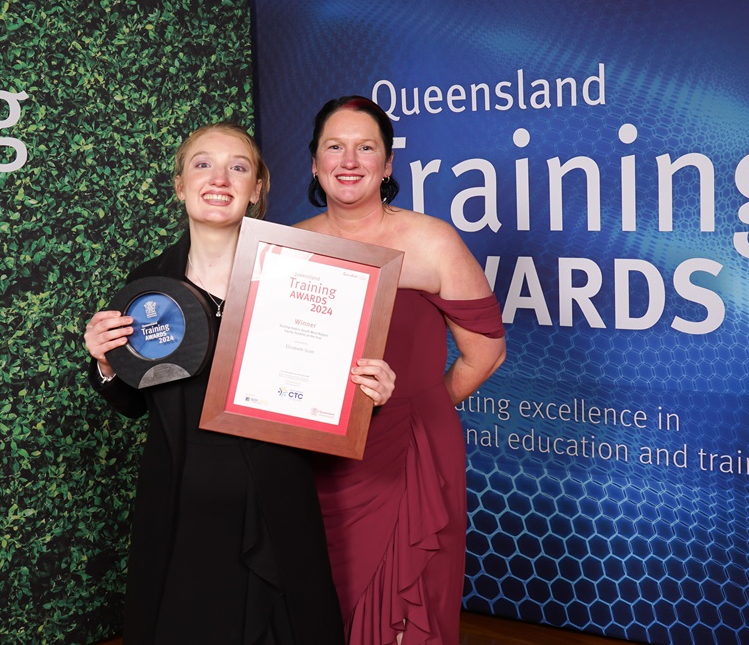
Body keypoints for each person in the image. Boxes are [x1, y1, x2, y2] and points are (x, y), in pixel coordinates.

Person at [83, 121, 395, 644]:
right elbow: (135, 405)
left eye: (239, 167)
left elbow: (332, 397)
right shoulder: (146, 285)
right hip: (183, 507)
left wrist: (370, 393)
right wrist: (107, 365)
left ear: (257, 189)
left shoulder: (308, 276)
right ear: (180, 185)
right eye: (202, 164)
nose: (219, 178)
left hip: (278, 504)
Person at [298, 96, 507, 645]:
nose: (350, 160)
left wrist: (418, 405)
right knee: (322, 598)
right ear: (315, 163)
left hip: (410, 453)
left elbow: (485, 350)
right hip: (318, 455)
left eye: (366, 147)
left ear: (387, 164)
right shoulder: (291, 244)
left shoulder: (431, 239)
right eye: (334, 147)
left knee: (407, 615)